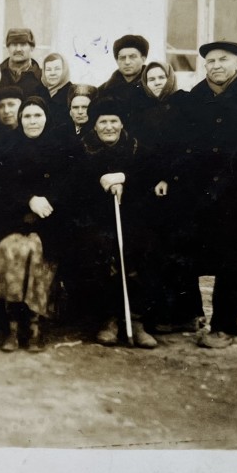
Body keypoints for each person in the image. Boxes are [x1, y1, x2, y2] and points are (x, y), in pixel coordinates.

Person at [178, 41, 237, 348]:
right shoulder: (196, 98)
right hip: (200, 191)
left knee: (233, 261)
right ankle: (189, 315)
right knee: (189, 252)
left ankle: (225, 327)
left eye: (223, 59)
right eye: (211, 61)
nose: (216, 65)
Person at [72, 96, 158, 349]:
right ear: (95, 125)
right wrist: (99, 183)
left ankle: (136, 319)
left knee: (142, 250)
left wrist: (125, 179)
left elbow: (147, 179)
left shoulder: (135, 147)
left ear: (121, 124)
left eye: (114, 121)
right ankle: (108, 319)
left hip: (132, 218)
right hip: (94, 220)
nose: (108, 126)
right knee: (100, 252)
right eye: (103, 121)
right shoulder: (82, 148)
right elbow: (73, 187)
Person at [0, 96, 66, 352]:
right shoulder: (8, 149)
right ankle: (12, 325)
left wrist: (47, 201)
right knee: (11, 249)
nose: (32, 121)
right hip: (13, 221)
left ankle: (34, 324)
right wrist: (28, 200)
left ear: (46, 118)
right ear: (20, 121)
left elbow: (68, 188)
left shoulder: (59, 149)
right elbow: (0, 188)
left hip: (50, 223)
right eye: (27, 117)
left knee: (35, 249)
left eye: (37, 116)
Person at [133, 62, 204, 333]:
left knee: (180, 252)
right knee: (157, 253)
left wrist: (168, 177)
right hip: (151, 192)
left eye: (161, 76)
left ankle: (189, 314)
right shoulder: (143, 109)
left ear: (170, 78)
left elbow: (188, 148)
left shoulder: (183, 104)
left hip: (179, 191)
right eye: (151, 78)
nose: (157, 82)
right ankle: (161, 314)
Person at [0, 28, 50, 101]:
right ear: (8, 47)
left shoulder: (42, 77)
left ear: (32, 47)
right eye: (14, 44)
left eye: (23, 44)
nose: (18, 49)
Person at [98, 34, 149, 105]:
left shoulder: (153, 87)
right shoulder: (103, 91)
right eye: (122, 58)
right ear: (117, 61)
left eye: (132, 57)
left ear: (143, 59)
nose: (127, 62)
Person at [41, 52, 73, 129]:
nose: (52, 73)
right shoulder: (38, 92)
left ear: (64, 70)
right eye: (48, 70)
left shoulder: (72, 93)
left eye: (57, 69)